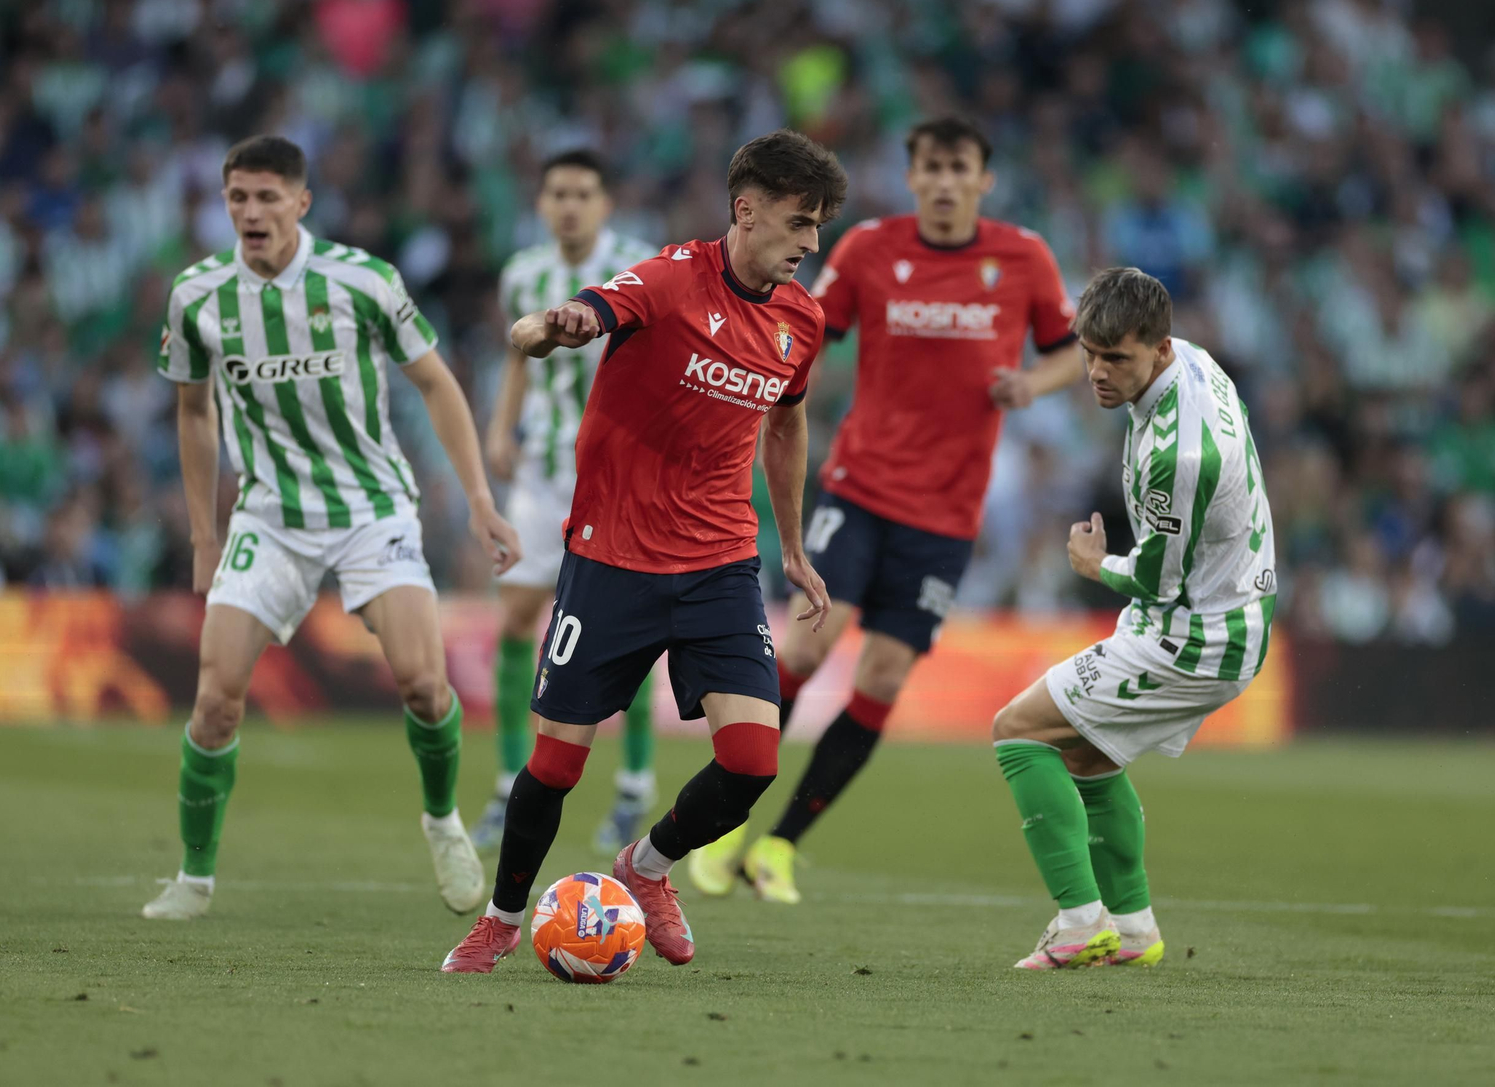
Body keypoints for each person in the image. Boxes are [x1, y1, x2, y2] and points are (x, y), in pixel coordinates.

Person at [439, 129, 846, 973]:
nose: (812, 244)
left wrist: (794, 546)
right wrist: (561, 325)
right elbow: (594, 311)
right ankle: (502, 922)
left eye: (818, 227)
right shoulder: (669, 280)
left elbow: (788, 420)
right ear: (747, 210)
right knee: (554, 765)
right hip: (613, 558)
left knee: (752, 759)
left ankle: (646, 868)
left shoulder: (802, 322)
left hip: (720, 563)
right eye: (801, 223)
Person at [689, 116, 1083, 903]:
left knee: (884, 676)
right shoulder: (871, 248)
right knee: (806, 651)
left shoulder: (1023, 258)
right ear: (911, 176)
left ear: (983, 179)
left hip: (946, 516)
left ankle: (781, 848)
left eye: (958, 167)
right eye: (929, 166)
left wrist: (1032, 386)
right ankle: (722, 820)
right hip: (861, 490)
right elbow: (803, 327)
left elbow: (1074, 346)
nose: (943, 181)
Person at [142, 135, 521, 921]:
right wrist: (205, 537)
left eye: (267, 197)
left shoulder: (364, 282)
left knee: (423, 684)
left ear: (301, 203)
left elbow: (437, 385)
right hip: (270, 516)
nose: (251, 212)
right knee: (215, 700)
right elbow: (192, 412)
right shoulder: (197, 296)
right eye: (238, 198)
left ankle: (442, 818)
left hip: (369, 508)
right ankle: (194, 876)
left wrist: (479, 499)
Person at [991, 267, 1277, 969]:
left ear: (1159, 348)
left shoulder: (1179, 455)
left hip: (1198, 633)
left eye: (1115, 357)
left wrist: (1095, 565)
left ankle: (1080, 922)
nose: (1096, 371)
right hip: (1228, 604)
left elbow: (1159, 581)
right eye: (1089, 352)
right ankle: (1135, 927)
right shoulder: (1196, 363)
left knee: (1017, 731)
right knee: (1087, 753)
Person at [471, 150, 660, 855]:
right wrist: (499, 426)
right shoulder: (522, 272)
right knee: (518, 616)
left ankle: (635, 785)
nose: (570, 205)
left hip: (618, 475)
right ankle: (507, 784)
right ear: (542, 202)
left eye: (584, 192)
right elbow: (518, 356)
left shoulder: (641, 267)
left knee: (628, 630)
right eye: (558, 193)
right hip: (544, 469)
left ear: (606, 202)